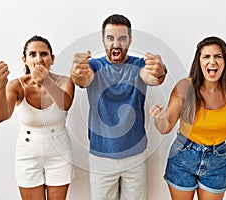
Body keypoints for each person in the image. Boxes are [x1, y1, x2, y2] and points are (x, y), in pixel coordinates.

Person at [150, 36, 226, 200]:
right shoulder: (185, 88)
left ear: (225, 62)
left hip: (217, 160)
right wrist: (159, 118)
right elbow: (165, 127)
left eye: (218, 56)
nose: (212, 61)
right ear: (199, 62)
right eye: (206, 56)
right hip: (183, 157)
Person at [71, 14, 167, 200]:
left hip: (135, 157)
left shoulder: (139, 65)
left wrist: (160, 71)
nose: (116, 44)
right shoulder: (94, 66)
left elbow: (153, 78)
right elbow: (83, 78)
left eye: (122, 38)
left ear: (130, 40)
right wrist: (77, 74)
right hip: (101, 158)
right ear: (103, 40)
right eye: (110, 38)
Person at [0, 35, 75, 200]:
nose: (38, 59)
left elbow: (65, 104)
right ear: (24, 59)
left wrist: (45, 82)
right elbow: (1, 116)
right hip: (27, 154)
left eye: (44, 54)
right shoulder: (16, 85)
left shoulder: (65, 81)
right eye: (32, 54)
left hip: (59, 152)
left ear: (52, 58)